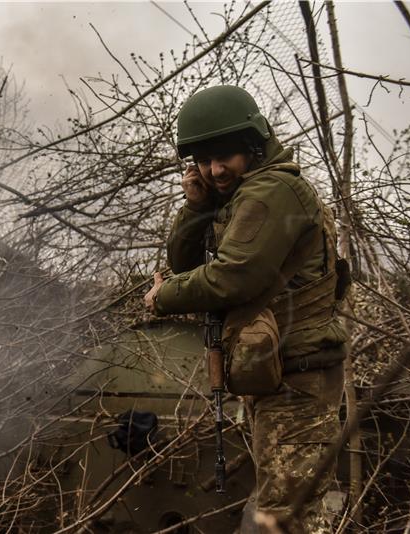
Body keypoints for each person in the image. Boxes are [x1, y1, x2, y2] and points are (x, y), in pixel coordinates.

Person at [143, 85, 348, 534]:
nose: (214, 169)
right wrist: (197, 208)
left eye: (225, 157)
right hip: (281, 381)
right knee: (283, 514)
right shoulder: (241, 195)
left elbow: (233, 277)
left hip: (300, 384)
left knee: (286, 520)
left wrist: (165, 297)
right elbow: (186, 263)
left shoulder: (271, 191)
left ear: (253, 146)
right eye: (203, 160)